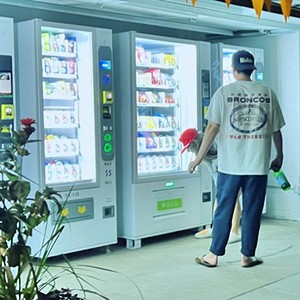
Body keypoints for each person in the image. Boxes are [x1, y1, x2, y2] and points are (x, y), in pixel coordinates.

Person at [188, 50, 285, 268]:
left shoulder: (223, 93)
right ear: (252, 70)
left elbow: (212, 127)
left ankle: (213, 256)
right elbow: (276, 130)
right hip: (258, 163)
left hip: (230, 165)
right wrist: (280, 156)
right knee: (252, 210)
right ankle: (247, 256)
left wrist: (198, 158)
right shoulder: (267, 93)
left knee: (224, 208)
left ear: (233, 70)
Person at [179, 128, 242, 244]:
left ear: (194, 143)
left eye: (188, 147)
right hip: (222, 172)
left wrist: (219, 162)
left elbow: (230, 153)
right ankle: (216, 229)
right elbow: (213, 172)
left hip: (236, 168)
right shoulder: (201, 155)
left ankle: (235, 231)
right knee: (220, 196)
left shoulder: (216, 139)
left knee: (234, 197)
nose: (188, 151)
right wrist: (220, 186)